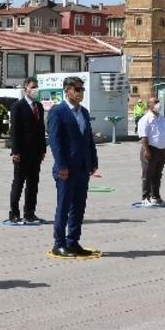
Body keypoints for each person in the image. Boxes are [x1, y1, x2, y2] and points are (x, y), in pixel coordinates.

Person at [47, 76, 98, 256]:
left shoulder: (83, 112)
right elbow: (55, 141)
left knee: (79, 206)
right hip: (66, 169)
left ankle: (73, 241)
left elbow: (88, 139)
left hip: (83, 167)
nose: (80, 93)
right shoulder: (57, 112)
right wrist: (61, 165)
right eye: (77, 89)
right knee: (64, 206)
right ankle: (59, 243)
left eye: (82, 89)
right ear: (67, 91)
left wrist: (93, 161)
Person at [8, 77, 46, 223]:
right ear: (26, 89)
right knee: (18, 183)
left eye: (37, 87)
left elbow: (41, 129)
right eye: (33, 87)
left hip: (35, 152)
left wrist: (43, 149)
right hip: (22, 152)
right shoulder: (18, 106)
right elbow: (15, 131)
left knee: (33, 184)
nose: (35, 89)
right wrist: (15, 151)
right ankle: (14, 213)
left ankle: (29, 212)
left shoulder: (39, 107)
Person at [137, 94, 165, 207]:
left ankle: (155, 196)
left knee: (157, 174)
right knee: (148, 174)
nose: (158, 104)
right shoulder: (145, 119)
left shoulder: (161, 118)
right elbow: (144, 137)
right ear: (149, 105)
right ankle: (145, 197)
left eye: (158, 101)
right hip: (150, 149)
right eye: (155, 102)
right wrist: (147, 151)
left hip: (161, 150)